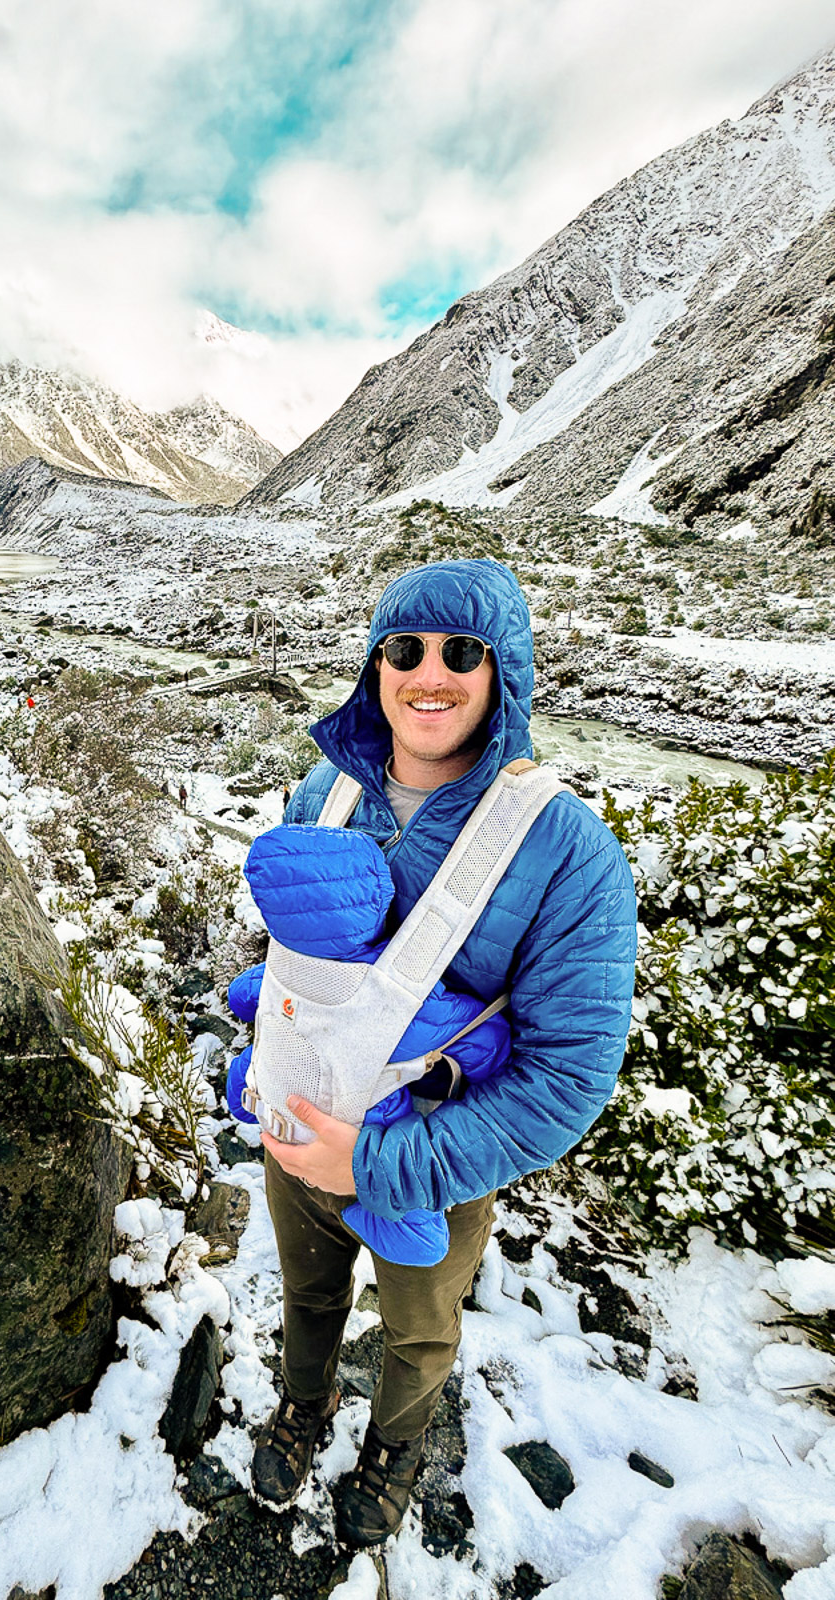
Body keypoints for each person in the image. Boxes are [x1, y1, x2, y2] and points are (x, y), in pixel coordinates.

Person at [248, 558, 637, 1548]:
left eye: (462, 652)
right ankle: (305, 1400)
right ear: (375, 666)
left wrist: (376, 1162)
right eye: (404, 649)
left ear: (504, 670)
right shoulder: (324, 789)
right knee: (309, 1291)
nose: (431, 674)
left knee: (419, 1328)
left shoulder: (568, 850)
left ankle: (397, 1443)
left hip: (430, 1167)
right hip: (294, 1131)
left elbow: (567, 1079)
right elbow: (299, 953)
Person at [223, 820, 513, 1266]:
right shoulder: (392, 993)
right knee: (425, 1246)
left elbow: (242, 996)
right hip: (358, 1126)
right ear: (376, 898)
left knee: (250, 1072)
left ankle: (241, 1099)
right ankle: (369, 1219)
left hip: (273, 1102)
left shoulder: (283, 963)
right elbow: (480, 1039)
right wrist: (498, 1046)